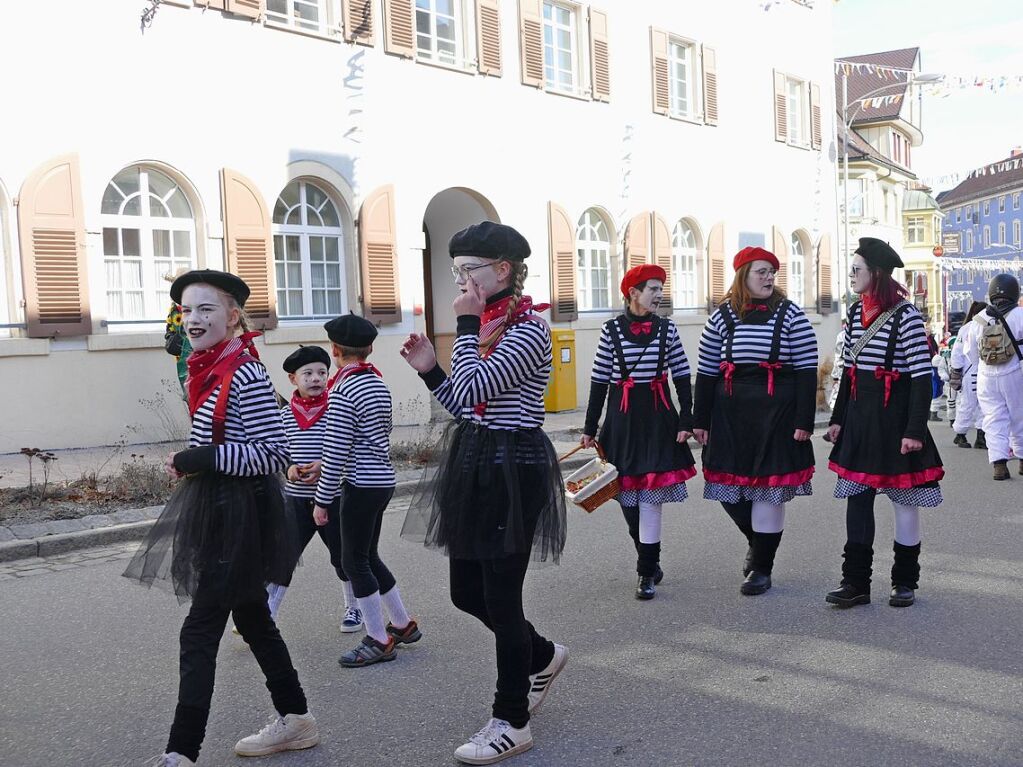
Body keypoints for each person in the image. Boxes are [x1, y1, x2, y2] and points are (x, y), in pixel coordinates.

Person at [124, 269, 318, 766]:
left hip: (240, 515)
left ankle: (180, 753)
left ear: (233, 316)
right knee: (253, 618)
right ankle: (295, 719)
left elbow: (274, 454)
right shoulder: (210, 367)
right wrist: (193, 458)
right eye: (187, 310)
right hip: (220, 510)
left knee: (200, 630)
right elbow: (225, 441)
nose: (193, 319)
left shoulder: (245, 372)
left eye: (206, 309)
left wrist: (200, 460)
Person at [399, 221, 567, 765]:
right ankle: (541, 655)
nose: (461, 281)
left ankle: (510, 720)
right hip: (475, 461)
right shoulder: (490, 323)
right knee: (465, 593)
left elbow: (474, 386)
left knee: (501, 596)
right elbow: (465, 401)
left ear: (503, 271)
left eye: (469, 271)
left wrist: (464, 325)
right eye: (457, 271)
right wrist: (430, 372)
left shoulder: (527, 330)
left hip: (512, 470)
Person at [826, 238, 944, 609]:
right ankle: (856, 583)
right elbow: (848, 374)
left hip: (895, 423)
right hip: (860, 422)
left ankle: (904, 581)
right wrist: (837, 420)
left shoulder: (906, 316)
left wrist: (913, 430)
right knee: (856, 502)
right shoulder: (853, 314)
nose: (851, 275)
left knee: (904, 501)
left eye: (856, 269)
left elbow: (921, 378)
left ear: (875, 273)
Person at [693, 246, 818, 596]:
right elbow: (705, 372)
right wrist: (699, 419)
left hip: (777, 413)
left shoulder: (791, 315)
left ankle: (761, 567)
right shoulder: (721, 317)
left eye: (771, 273)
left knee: (768, 489)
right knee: (728, 491)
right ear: (743, 274)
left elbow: (808, 372)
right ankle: (759, 542)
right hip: (730, 416)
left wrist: (804, 420)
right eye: (761, 271)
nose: (768, 278)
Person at [580, 263, 696, 600]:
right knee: (626, 497)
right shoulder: (611, 331)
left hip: (658, 416)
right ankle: (649, 556)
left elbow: (681, 375)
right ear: (633, 293)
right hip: (622, 418)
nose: (659, 295)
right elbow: (599, 380)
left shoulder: (667, 330)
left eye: (661, 288)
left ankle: (646, 571)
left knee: (649, 499)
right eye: (653, 289)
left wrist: (685, 420)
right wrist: (590, 428)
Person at [314, 312, 421, 667]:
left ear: (334, 350)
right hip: (383, 479)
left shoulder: (343, 389)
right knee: (369, 557)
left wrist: (321, 498)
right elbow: (378, 431)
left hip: (359, 484)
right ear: (370, 348)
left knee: (353, 560)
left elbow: (336, 448)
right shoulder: (376, 382)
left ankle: (378, 638)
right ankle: (402, 624)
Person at [260, 345, 363, 633]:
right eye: (308, 373)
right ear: (293, 379)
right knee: (284, 556)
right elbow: (281, 452)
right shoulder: (284, 416)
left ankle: (354, 608)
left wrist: (325, 464)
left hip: (332, 498)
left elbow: (348, 449)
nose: (316, 378)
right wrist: (289, 468)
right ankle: (267, 613)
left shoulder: (336, 409)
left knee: (343, 557)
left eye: (322, 372)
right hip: (296, 500)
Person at [969, 275, 1023, 480]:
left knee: (993, 418)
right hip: (1015, 372)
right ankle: (1022, 459)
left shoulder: (979, 319)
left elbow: (971, 353)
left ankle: (999, 464)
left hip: (986, 375)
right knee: (1020, 416)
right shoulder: (1020, 314)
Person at [949, 301, 988, 450]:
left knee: (983, 406)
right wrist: (957, 372)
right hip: (970, 372)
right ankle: (960, 433)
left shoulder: (977, 327)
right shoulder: (967, 329)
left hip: (980, 371)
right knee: (968, 404)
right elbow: (957, 353)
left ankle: (980, 435)